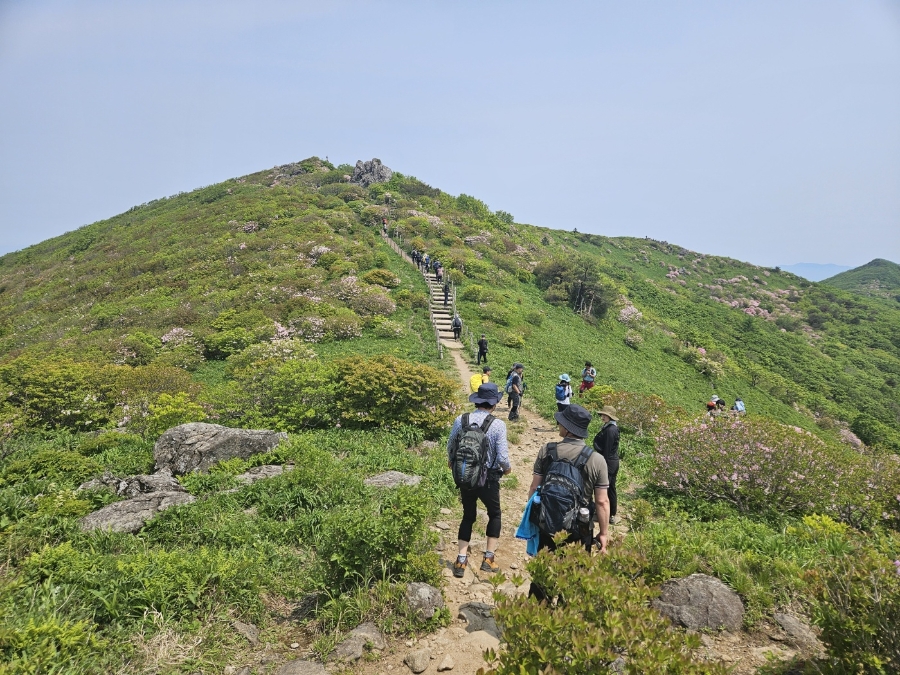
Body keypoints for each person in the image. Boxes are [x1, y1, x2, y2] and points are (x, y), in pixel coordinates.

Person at [527, 404, 610, 600]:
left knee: (543, 571)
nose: (558, 425)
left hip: (547, 523)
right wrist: (604, 534)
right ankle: (565, 618)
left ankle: (535, 615)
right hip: (579, 528)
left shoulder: (547, 450)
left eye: (561, 422)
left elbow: (533, 488)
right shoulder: (596, 460)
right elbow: (602, 501)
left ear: (567, 428)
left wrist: (534, 516)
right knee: (575, 576)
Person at [447, 383, 511, 576]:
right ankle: (488, 558)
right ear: (494, 403)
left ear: (477, 400)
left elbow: (451, 444)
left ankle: (461, 560)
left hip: (465, 475)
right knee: (495, 514)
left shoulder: (462, 419)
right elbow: (502, 457)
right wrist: (507, 470)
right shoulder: (498, 425)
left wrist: (452, 462)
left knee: (468, 515)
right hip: (488, 479)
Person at [592, 406, 620, 525]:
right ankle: (611, 514)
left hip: (608, 462)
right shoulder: (611, 428)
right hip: (612, 461)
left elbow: (607, 450)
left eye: (605, 415)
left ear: (610, 417)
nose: (602, 417)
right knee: (610, 488)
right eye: (602, 415)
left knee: (604, 489)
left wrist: (602, 464)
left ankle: (604, 514)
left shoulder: (610, 430)